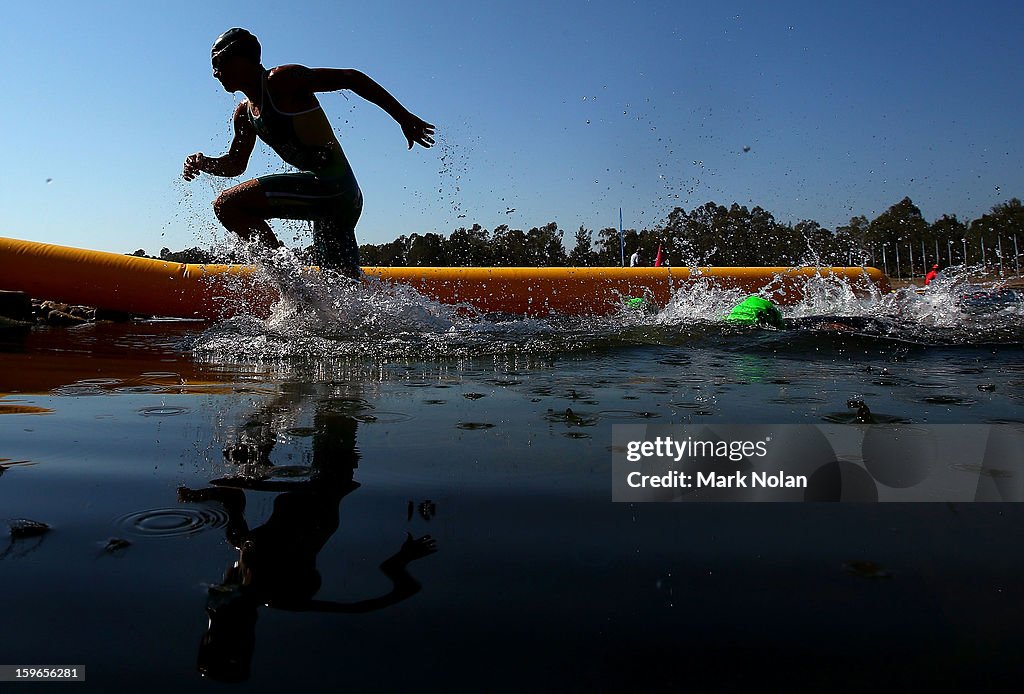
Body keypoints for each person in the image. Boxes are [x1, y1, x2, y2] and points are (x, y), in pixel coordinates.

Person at [183, 28, 435, 278]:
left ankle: (292, 287)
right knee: (341, 290)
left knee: (227, 205)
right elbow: (236, 164)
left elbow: (351, 78)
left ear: (240, 58)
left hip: (334, 188)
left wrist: (403, 117)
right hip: (333, 200)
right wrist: (204, 163)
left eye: (218, 62)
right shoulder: (244, 115)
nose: (215, 73)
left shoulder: (282, 81)